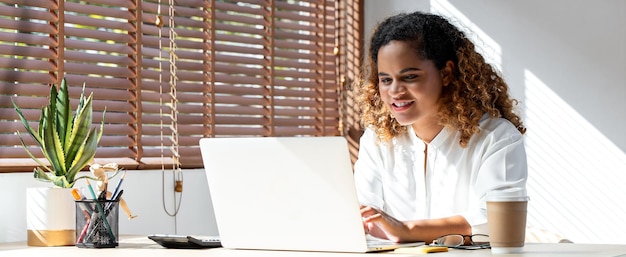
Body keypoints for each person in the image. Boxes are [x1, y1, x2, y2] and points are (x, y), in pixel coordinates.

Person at [352, 11, 528, 244]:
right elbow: (362, 214)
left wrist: (406, 229)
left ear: (446, 73)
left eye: (410, 77)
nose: (394, 91)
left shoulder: (497, 138)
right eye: (385, 79)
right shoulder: (376, 139)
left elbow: (496, 223)